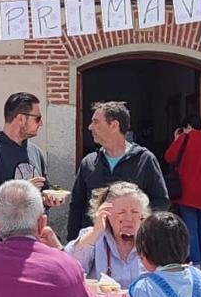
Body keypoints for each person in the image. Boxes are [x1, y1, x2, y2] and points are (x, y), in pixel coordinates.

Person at [0, 92, 63, 245]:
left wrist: (48, 198)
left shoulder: (35, 152)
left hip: (32, 245)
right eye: (37, 118)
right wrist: (21, 191)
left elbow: (43, 188)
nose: (41, 123)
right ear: (21, 118)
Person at [68, 102, 169, 240]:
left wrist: (141, 230)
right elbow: (77, 206)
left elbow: (161, 202)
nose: (90, 127)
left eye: (96, 122)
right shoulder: (89, 163)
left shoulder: (145, 160)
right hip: (93, 246)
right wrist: (73, 244)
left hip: (133, 247)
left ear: (114, 125)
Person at [164, 114, 201, 271]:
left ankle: (196, 261)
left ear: (188, 126)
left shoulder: (185, 139)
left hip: (188, 192)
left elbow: (169, 157)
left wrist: (177, 139)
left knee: (191, 227)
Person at [64, 182, 148, 287]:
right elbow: (69, 267)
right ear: (106, 214)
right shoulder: (93, 236)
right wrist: (95, 232)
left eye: (135, 212)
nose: (129, 218)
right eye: (121, 212)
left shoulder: (151, 241)